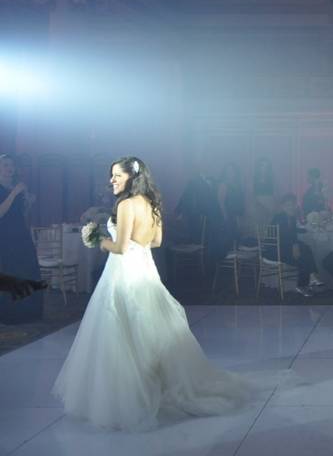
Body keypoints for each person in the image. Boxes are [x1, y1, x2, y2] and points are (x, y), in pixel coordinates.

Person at [53, 156, 248, 430]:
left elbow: (119, 247)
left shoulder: (125, 205)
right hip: (145, 268)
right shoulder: (152, 203)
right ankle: (155, 387)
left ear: (131, 178)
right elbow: (156, 241)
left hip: (122, 272)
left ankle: (126, 397)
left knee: (119, 332)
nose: (112, 180)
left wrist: (97, 239)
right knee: (149, 330)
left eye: (116, 176)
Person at [0, 153, 42, 324]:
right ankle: (10, 314)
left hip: (21, 234)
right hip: (5, 236)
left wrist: (28, 202)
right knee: (11, 271)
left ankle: (29, 312)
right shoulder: (7, 188)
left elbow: (21, 214)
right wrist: (15, 193)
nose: (9, 169)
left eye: (11, 165)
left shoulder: (15, 186)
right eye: (5, 165)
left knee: (27, 269)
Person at [269, 194, 321, 297]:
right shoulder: (279, 218)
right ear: (282, 206)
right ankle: (304, 283)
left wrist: (304, 230)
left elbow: (292, 231)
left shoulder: (291, 217)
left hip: (286, 246)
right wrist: (295, 245)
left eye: (292, 204)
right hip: (276, 250)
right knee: (303, 256)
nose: (291, 207)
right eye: (288, 205)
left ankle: (309, 278)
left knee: (306, 248)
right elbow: (284, 235)